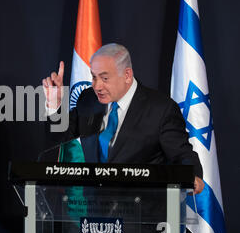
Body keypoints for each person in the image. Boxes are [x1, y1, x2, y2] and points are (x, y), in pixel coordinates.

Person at [42, 43, 204, 193]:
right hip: (93, 214)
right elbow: (60, 139)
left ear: (127, 75)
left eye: (105, 78)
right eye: (94, 77)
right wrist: (54, 107)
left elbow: (182, 154)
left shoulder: (161, 109)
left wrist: (193, 176)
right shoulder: (88, 100)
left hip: (142, 215)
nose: (97, 86)